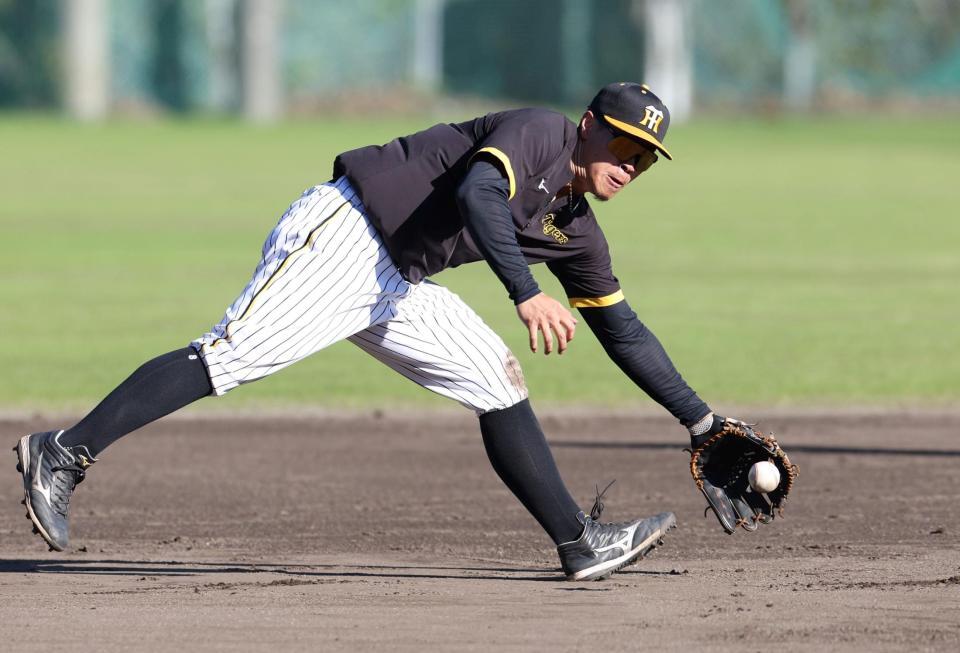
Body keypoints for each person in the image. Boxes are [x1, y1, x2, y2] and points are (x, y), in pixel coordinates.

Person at [15, 82, 744, 582]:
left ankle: (578, 543)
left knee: (495, 376)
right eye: (623, 143)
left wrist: (701, 421)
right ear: (590, 125)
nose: (631, 162)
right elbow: (479, 192)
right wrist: (523, 291)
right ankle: (60, 451)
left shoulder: (577, 230)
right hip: (347, 234)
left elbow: (623, 330)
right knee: (233, 355)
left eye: (645, 157)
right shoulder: (540, 134)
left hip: (397, 279)